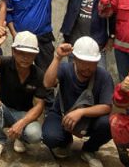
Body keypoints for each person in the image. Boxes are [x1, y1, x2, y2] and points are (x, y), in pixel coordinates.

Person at [42, 37, 113, 167]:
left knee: (109, 123)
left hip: (89, 120)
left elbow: (107, 107)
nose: (87, 67)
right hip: (62, 116)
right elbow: (47, 83)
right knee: (49, 137)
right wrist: (57, 58)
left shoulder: (104, 76)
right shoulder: (65, 69)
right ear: (74, 59)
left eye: (91, 63)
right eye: (83, 62)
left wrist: (82, 112)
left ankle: (89, 149)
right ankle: (65, 140)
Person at [0, 29, 46, 160]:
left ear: (35, 55)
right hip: (4, 111)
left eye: (30, 54)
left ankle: (21, 138)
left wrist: (21, 123)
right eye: (21, 53)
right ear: (13, 51)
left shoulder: (39, 74)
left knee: (35, 135)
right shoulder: (6, 63)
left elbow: (39, 106)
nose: (25, 58)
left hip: (24, 114)